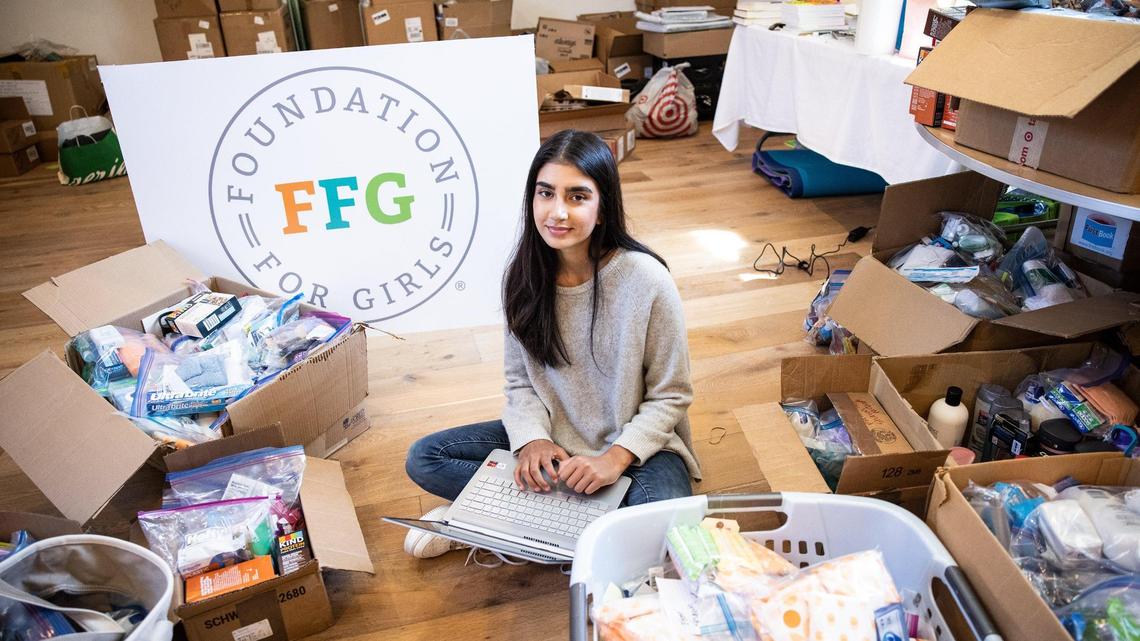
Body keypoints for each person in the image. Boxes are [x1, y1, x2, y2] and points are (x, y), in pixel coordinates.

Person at [403, 129, 700, 559]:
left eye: (577, 196)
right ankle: (565, 520)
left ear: (603, 208)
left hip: (637, 448)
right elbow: (520, 382)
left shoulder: (647, 279)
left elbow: (671, 395)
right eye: (546, 193)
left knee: (665, 525)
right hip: (554, 441)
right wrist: (531, 441)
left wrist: (615, 458)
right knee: (426, 457)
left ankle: (489, 516)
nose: (557, 212)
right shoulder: (523, 277)